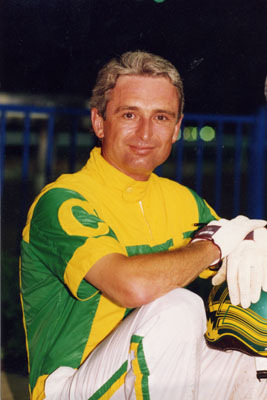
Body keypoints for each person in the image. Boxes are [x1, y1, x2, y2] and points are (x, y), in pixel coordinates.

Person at [20, 51, 267, 400]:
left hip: (145, 376)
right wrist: (215, 246)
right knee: (177, 309)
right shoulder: (62, 200)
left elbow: (236, 243)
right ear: (99, 122)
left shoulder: (180, 199)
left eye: (161, 117)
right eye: (129, 114)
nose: (145, 133)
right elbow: (131, 286)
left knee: (257, 353)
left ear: (177, 128)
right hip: (70, 386)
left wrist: (254, 241)